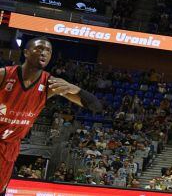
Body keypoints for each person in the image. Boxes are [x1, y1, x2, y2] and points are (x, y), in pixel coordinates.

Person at [0, 36, 103, 194]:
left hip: (10, 146)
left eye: (48, 50)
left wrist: (74, 88)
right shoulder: (4, 75)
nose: (44, 53)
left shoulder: (51, 85)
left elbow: (95, 106)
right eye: (39, 48)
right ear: (26, 52)